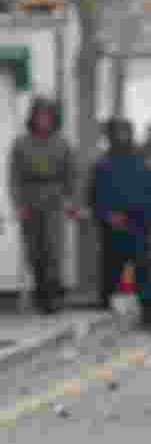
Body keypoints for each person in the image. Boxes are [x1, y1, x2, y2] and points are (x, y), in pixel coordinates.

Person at [88, 118, 151, 329]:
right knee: (111, 268)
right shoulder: (102, 165)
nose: (122, 136)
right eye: (118, 132)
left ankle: (148, 312)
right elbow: (95, 196)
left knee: (144, 269)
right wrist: (107, 215)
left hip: (139, 224)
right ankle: (106, 310)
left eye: (125, 132)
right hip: (113, 224)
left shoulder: (142, 162)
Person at [8, 97, 78, 313]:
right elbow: (14, 176)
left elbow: (71, 174)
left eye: (47, 116)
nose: (43, 120)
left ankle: (53, 297)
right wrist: (18, 202)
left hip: (54, 199)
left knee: (53, 249)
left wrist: (71, 201)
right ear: (33, 117)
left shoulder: (62, 143)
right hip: (30, 199)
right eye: (39, 115)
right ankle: (40, 294)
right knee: (34, 251)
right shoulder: (21, 143)